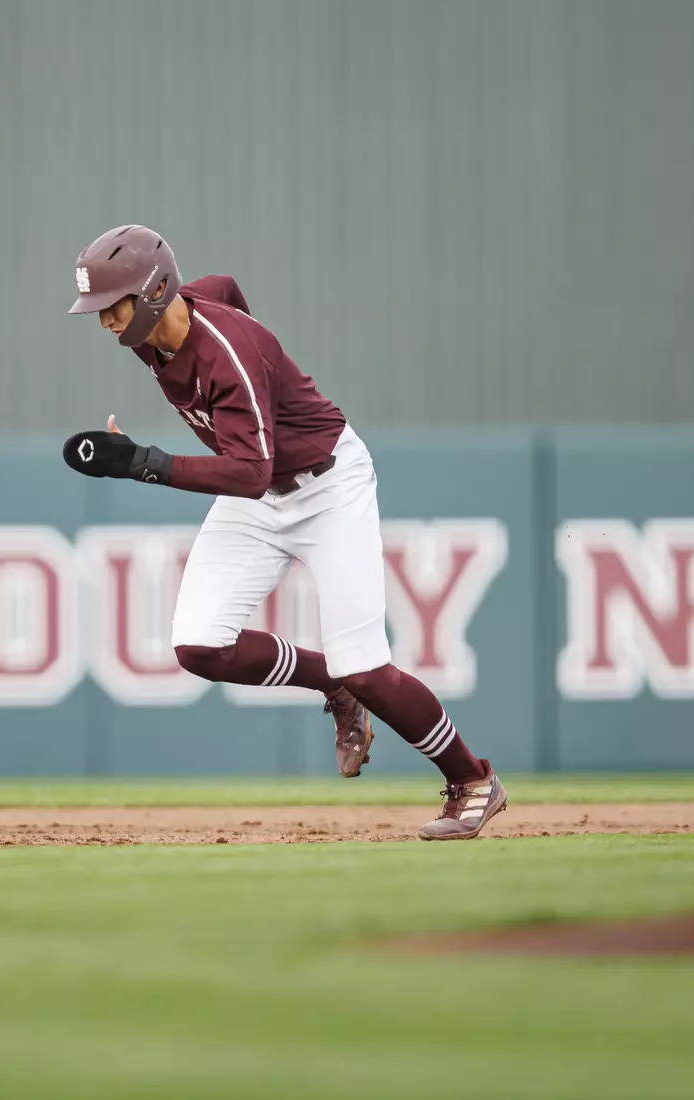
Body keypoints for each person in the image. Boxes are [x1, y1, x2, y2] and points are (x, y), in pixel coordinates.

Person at [63, 225, 505, 840]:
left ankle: (473, 780)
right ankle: (332, 685)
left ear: (156, 292)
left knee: (369, 670)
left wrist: (144, 461)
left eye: (113, 305)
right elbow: (226, 288)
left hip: (326, 488)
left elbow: (247, 472)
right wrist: (269, 370)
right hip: (263, 490)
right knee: (199, 646)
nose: (106, 321)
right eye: (99, 309)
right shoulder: (161, 327)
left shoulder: (224, 354)